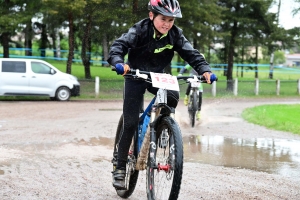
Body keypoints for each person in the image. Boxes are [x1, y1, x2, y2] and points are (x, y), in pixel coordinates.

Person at [107, 0, 215, 190]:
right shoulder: (140, 30)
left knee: (173, 94)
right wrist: (118, 61)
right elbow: (119, 45)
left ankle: (163, 126)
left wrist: (204, 69)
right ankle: (120, 166)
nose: (167, 24)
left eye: (171, 20)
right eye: (163, 19)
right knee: (131, 122)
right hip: (135, 76)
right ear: (151, 16)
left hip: (158, 77)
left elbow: (192, 54)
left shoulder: (175, 35)